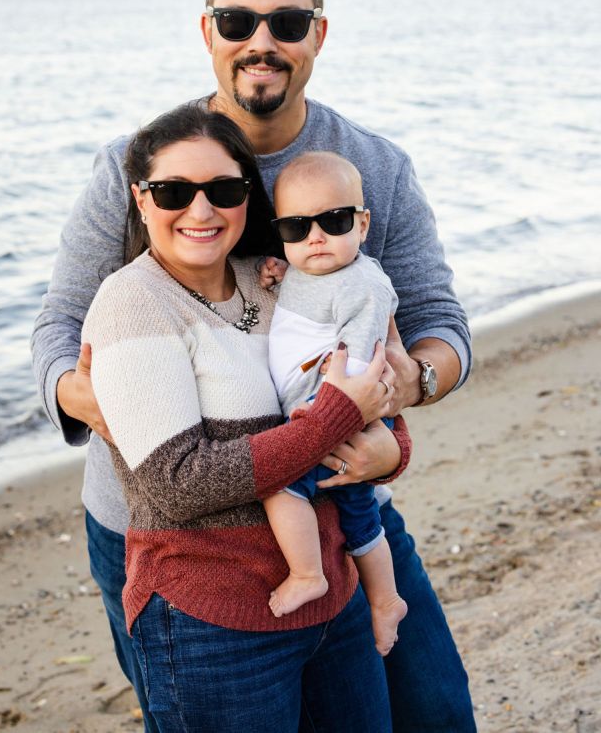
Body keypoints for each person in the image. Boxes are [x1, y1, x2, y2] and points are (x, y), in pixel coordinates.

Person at [32, 0, 476, 732]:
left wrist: (397, 411)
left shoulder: (373, 166)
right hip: (162, 530)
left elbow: (440, 323)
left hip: (339, 497)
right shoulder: (137, 166)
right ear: (207, 32)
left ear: (318, 33)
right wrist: (100, 400)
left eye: (285, 21)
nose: (259, 42)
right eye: (236, 21)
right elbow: (60, 325)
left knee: (433, 710)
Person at [81, 103, 409, 731]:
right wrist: (332, 422)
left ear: (247, 200)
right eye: (175, 191)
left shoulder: (273, 278)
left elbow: (361, 386)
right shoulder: (132, 304)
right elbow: (177, 485)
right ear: (141, 200)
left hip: (334, 602)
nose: (201, 211)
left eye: (224, 190)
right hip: (215, 626)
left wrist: (391, 448)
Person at [262, 151, 408, 658]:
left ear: (362, 224)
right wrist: (280, 275)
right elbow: (306, 301)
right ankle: (386, 600)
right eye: (297, 227)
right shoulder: (310, 267)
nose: (316, 237)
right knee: (361, 516)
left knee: (280, 486)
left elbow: (360, 362)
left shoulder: (364, 286)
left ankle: (308, 574)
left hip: (335, 415)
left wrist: (321, 416)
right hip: (330, 417)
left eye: (335, 220)